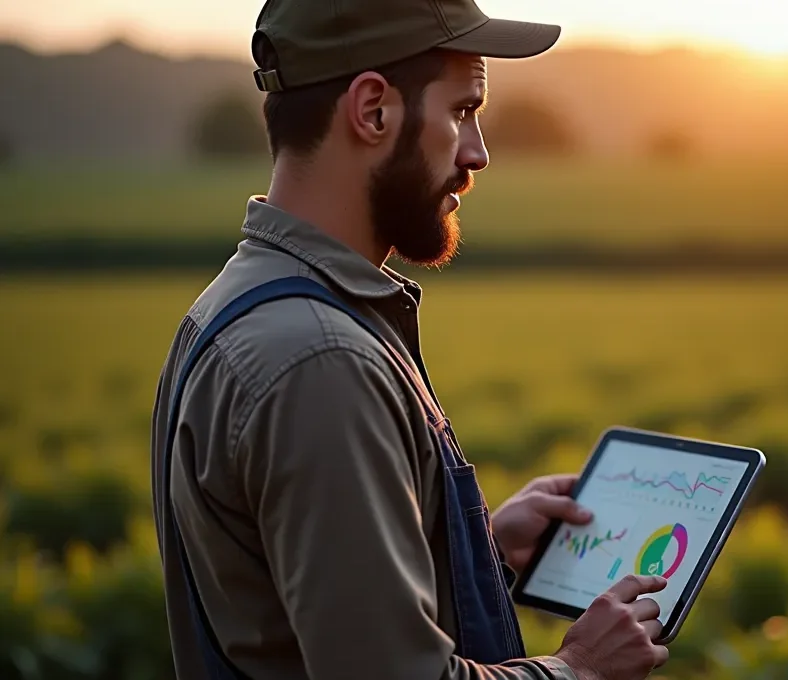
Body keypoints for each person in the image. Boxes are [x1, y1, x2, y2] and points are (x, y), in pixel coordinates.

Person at [150, 1, 670, 679]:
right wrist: (578, 669)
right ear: (373, 112)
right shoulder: (319, 360)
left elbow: (299, 614)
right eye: (461, 111)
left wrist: (472, 551)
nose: (477, 152)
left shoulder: (237, 306)